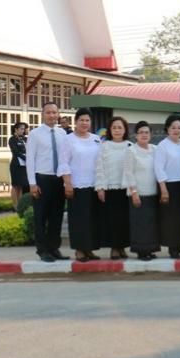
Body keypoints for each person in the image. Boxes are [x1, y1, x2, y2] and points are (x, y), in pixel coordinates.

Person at [26, 102, 71, 262]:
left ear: (58, 114)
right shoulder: (35, 134)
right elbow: (30, 159)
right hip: (42, 179)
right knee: (41, 217)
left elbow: (65, 157)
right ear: (42, 114)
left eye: (54, 112)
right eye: (48, 112)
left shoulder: (62, 133)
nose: (52, 115)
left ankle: (54, 248)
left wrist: (66, 180)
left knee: (56, 216)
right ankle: (42, 250)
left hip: (58, 180)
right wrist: (32, 183)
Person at [60, 108, 102, 262]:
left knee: (93, 219)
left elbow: (101, 162)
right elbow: (63, 162)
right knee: (79, 219)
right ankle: (79, 250)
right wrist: (68, 184)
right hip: (77, 186)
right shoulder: (68, 139)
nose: (85, 123)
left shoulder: (96, 139)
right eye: (81, 120)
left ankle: (89, 249)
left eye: (87, 120)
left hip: (95, 185)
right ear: (76, 122)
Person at [94, 116, 132, 259]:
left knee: (124, 220)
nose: (117, 130)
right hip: (110, 188)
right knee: (112, 220)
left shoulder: (130, 146)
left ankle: (122, 247)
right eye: (114, 128)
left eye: (120, 127)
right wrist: (100, 187)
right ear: (109, 130)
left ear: (125, 130)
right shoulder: (104, 146)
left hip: (126, 188)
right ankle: (114, 248)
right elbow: (99, 167)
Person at [155, 114, 180, 259]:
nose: (176, 130)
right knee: (171, 219)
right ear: (167, 129)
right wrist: (163, 189)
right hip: (169, 186)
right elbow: (158, 168)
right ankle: (172, 248)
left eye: (179, 128)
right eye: (173, 127)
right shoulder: (162, 145)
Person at [123, 121, 159, 260]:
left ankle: (150, 249)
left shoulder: (155, 149)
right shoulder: (131, 150)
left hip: (152, 192)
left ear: (150, 134)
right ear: (136, 135)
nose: (144, 135)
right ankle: (141, 251)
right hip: (138, 193)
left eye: (146, 132)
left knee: (151, 223)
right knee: (140, 224)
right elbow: (129, 172)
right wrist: (134, 192)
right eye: (141, 132)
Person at [7, 122, 29, 209]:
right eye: (21, 129)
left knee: (22, 185)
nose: (23, 131)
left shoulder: (25, 138)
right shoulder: (12, 139)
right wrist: (26, 158)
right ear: (16, 129)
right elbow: (16, 152)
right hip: (16, 165)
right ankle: (15, 205)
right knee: (16, 186)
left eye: (24, 129)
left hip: (25, 165)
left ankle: (20, 205)